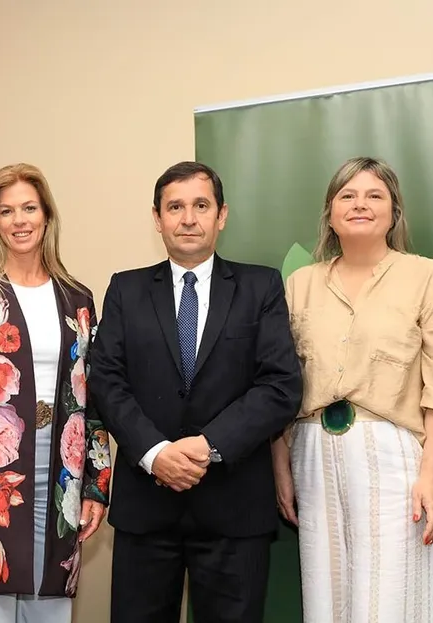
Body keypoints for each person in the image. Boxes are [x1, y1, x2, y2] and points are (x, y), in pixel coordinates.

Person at [88, 161, 303, 623]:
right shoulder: (125, 290)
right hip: (147, 509)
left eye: (201, 206)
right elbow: (106, 379)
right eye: (176, 207)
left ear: (221, 215)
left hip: (234, 508)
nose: (188, 218)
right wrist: (153, 452)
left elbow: (280, 385)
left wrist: (208, 446)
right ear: (157, 218)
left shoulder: (260, 286)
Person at [272, 157, 433, 622]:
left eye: (374, 195)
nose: (360, 204)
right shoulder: (299, 285)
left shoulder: (431, 278)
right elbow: (281, 386)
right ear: (330, 212)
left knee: (389, 598)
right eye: (347, 195)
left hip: (392, 454)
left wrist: (431, 475)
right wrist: (282, 466)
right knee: (324, 600)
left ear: (394, 211)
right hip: (311, 452)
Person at [0, 163, 112, 623]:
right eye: (6, 211)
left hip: (59, 478)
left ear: (47, 215)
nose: (19, 220)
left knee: (49, 607)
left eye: (29, 208)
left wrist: (97, 484)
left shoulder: (78, 298)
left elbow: (92, 398)